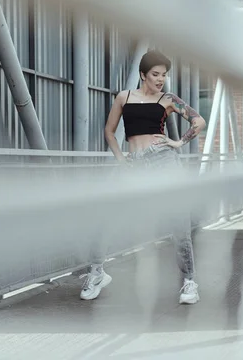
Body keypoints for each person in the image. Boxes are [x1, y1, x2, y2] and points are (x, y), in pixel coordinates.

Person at [80, 50, 207, 305]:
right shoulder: (124, 98)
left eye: (164, 75)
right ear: (142, 75)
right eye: (155, 74)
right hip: (133, 163)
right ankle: (97, 273)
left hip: (163, 160)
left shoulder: (168, 99)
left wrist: (178, 142)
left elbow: (198, 121)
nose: (160, 79)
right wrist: (119, 158)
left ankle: (189, 282)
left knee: (178, 222)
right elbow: (109, 131)